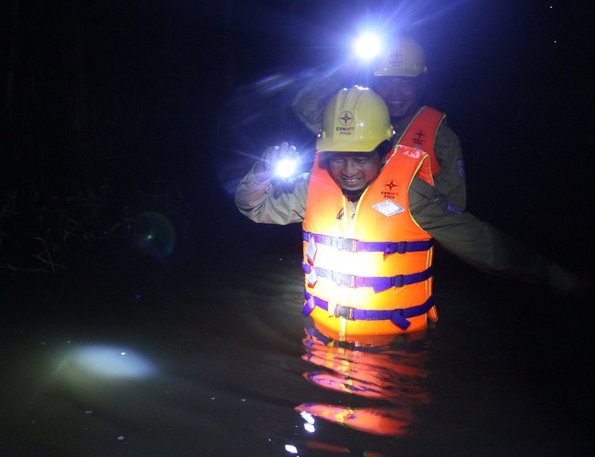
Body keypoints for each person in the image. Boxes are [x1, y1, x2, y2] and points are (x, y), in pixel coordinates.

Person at [236, 86, 584, 342]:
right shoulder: (313, 187)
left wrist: (557, 278)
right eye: (338, 157)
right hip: (321, 342)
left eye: (361, 157)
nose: (348, 170)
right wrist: (261, 175)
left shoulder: (413, 194)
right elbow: (254, 206)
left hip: (394, 350)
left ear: (384, 154)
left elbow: (484, 244)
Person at [292, 36, 467, 211]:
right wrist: (344, 69)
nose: (395, 92)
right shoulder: (353, 118)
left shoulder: (441, 139)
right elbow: (306, 106)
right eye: (386, 82)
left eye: (405, 83)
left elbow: (453, 210)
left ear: (421, 83)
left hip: (400, 230)